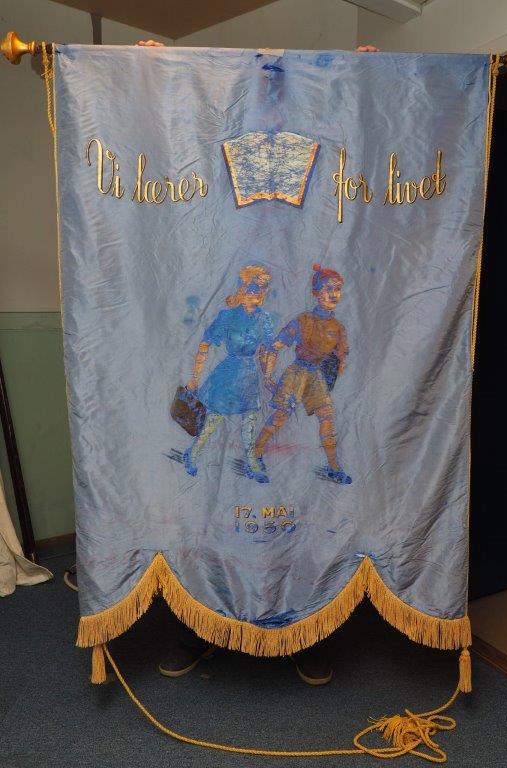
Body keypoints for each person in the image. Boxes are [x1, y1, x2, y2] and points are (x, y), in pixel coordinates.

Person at [137, 37, 379, 685]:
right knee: (206, 504)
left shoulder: (314, 164)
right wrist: (151, 74)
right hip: (228, 379)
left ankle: (302, 627)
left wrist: (366, 75)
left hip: (261, 383)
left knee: (288, 504)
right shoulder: (214, 169)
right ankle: (201, 626)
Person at [253, 263, 351, 485]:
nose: (333, 294)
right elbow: (276, 346)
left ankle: (334, 468)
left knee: (326, 417)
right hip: (297, 374)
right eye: (328, 289)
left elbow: (341, 358)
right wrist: (267, 375)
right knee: (281, 416)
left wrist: (335, 370)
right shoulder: (303, 321)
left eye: (337, 289)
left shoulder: (338, 327)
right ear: (316, 293)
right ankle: (255, 454)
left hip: (315, 377)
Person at [183, 265, 273, 483]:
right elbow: (205, 344)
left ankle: (252, 463)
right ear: (243, 289)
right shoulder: (228, 316)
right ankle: (192, 454)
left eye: (262, 289)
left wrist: (268, 376)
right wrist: (195, 378)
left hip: (249, 376)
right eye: (254, 289)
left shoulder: (264, 319)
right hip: (228, 374)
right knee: (213, 421)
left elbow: (266, 351)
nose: (259, 294)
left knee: (250, 422)